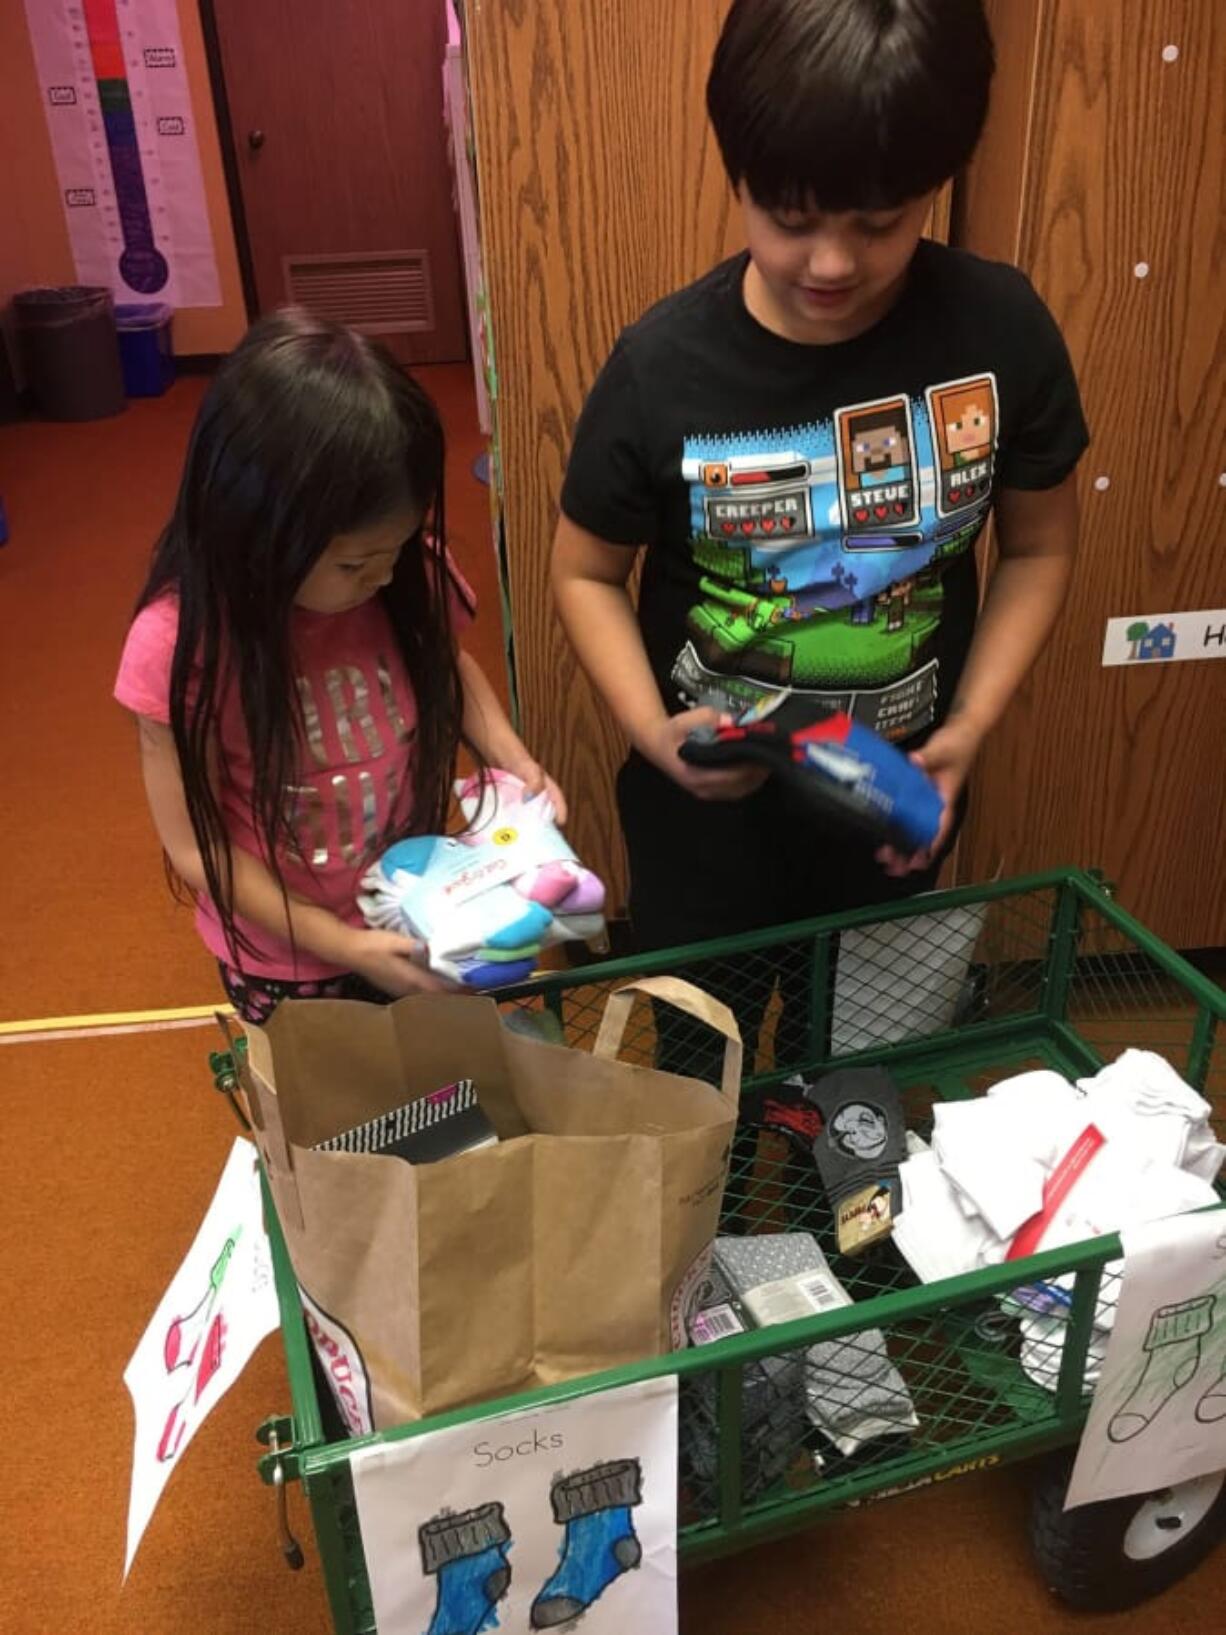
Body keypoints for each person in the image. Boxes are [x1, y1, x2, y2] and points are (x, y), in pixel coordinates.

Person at [551, 0, 1088, 1072]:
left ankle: (825, 1220)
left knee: (848, 1072)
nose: (831, 263)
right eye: (788, 217)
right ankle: (708, 1223)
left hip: (892, 796)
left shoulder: (1000, 329)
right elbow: (583, 572)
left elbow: (1037, 548)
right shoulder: (661, 367)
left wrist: (968, 729)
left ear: (934, 186)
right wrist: (653, 731)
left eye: (878, 221)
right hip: (704, 819)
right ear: (737, 175)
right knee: (703, 1073)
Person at [115, 309, 561, 1025]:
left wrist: (513, 759)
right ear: (257, 530)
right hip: (289, 957)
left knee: (435, 1093)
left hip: (410, 905)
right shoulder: (178, 645)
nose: (385, 575)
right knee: (329, 1119)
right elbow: (200, 852)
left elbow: (448, 665)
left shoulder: (403, 575)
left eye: (400, 544)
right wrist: (343, 946)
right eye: (355, 562)